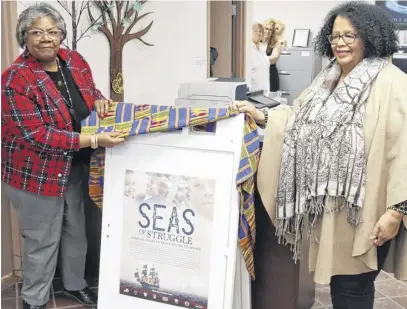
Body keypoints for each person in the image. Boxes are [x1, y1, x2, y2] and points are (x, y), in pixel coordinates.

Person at [230, 2, 407, 309]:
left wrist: (396, 211)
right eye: (335, 36)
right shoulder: (328, 77)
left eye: (350, 36)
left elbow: (404, 148)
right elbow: (299, 117)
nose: (340, 43)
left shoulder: (392, 82)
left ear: (370, 37)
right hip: (331, 211)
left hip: (369, 209)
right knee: (342, 284)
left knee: (354, 286)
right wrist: (262, 115)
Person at [1, 3, 125, 309]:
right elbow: (37, 136)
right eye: (37, 32)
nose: (46, 38)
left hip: (72, 163)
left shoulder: (74, 60)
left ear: (61, 36)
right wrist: (94, 138)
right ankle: (34, 299)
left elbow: (89, 92)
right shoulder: (14, 78)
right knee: (42, 238)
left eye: (53, 32)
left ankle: (74, 284)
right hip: (35, 171)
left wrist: (100, 103)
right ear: (24, 38)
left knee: (75, 230)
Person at [263, 19, 285, 91]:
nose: (268, 31)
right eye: (266, 28)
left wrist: (258, 59)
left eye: (270, 30)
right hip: (259, 75)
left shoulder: (276, 43)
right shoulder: (257, 42)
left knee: (272, 98)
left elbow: (274, 58)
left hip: (271, 75)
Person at [249, 23, 270, 91]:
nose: (258, 33)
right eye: (255, 31)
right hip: (253, 91)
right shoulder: (248, 49)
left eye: (260, 31)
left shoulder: (262, 48)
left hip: (265, 89)